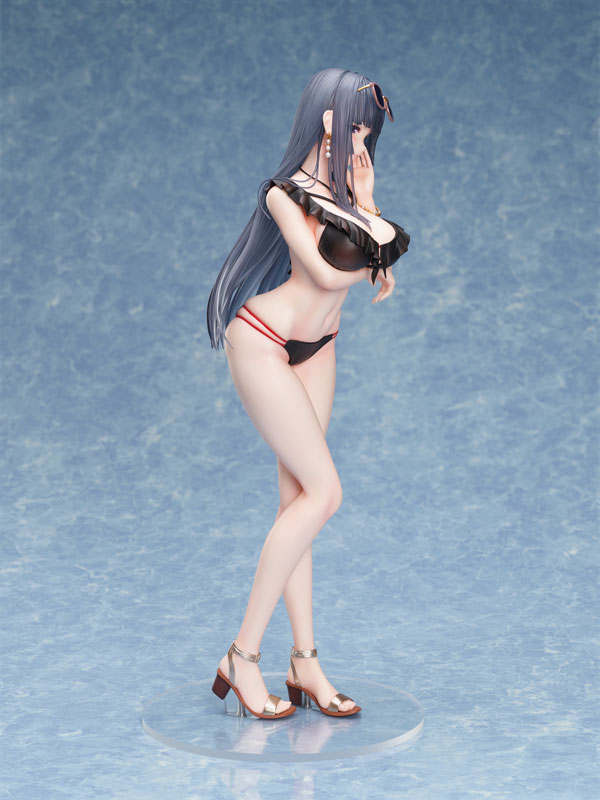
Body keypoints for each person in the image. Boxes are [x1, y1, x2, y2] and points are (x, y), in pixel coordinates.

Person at [207, 68, 410, 719]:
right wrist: (374, 246)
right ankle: (241, 657)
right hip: (264, 341)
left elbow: (379, 253)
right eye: (355, 126)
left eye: (368, 131)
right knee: (325, 494)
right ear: (327, 120)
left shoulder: (349, 193)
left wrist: (368, 204)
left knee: (298, 503)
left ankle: (305, 661)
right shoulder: (284, 193)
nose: (361, 140)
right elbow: (326, 271)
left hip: (319, 347)